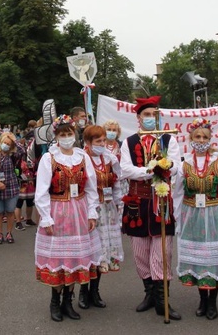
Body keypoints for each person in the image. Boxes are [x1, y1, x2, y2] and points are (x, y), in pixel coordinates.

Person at [34, 115, 101, 322]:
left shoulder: (83, 157)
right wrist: (46, 218)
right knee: (58, 259)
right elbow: (41, 191)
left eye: (69, 134)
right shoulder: (49, 159)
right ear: (56, 137)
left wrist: (92, 212)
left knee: (75, 258)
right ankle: (55, 302)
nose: (66, 137)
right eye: (62, 134)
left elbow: (91, 188)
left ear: (75, 134)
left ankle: (67, 302)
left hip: (79, 211)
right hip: (57, 211)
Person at [171, 119, 218, 320]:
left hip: (214, 213)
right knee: (199, 259)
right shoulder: (185, 163)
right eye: (197, 137)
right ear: (191, 139)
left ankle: (212, 302)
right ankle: (202, 299)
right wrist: (177, 219)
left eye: (205, 137)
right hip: (192, 215)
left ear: (211, 140)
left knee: (213, 259)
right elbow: (178, 193)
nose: (201, 140)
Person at [119, 96, 181, 320]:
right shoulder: (129, 142)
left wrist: (166, 167)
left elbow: (176, 165)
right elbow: (125, 169)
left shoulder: (168, 139)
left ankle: (163, 300)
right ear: (138, 118)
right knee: (140, 252)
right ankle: (149, 293)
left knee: (162, 251)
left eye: (154, 115)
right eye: (146, 115)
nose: (150, 118)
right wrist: (150, 170)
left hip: (161, 202)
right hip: (137, 202)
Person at [79, 125, 123, 310]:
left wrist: (119, 204)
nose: (102, 144)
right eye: (98, 141)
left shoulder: (109, 159)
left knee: (103, 250)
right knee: (88, 250)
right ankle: (83, 291)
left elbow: (117, 182)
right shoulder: (81, 158)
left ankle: (95, 291)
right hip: (88, 210)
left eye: (104, 140)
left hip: (107, 209)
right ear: (88, 142)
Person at [0, 132, 24, 245]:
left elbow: (22, 151)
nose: (6, 145)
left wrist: (15, 140)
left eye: (9, 144)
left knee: (10, 212)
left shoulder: (13, 156)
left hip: (11, 187)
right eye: (5, 142)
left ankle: (9, 232)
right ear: (0, 143)